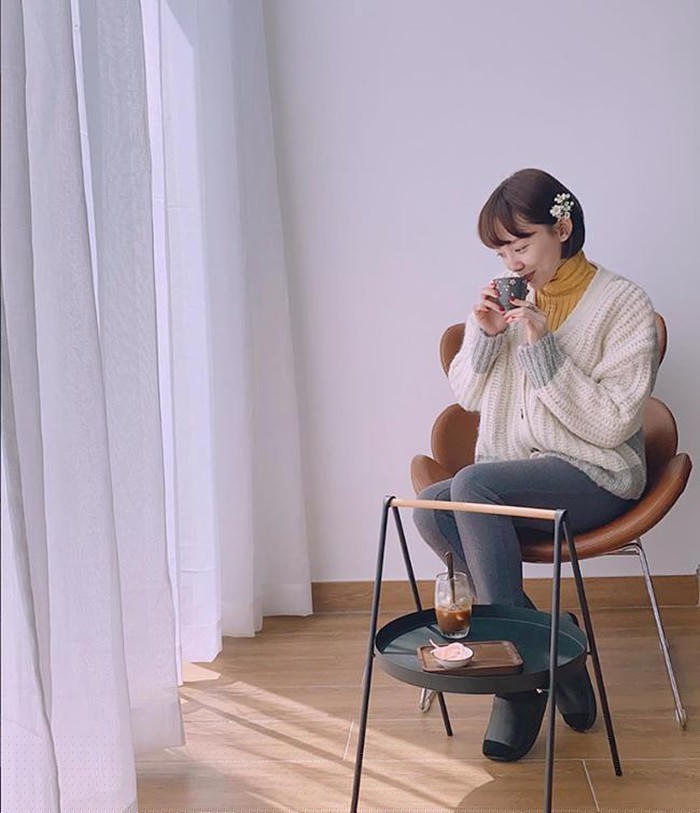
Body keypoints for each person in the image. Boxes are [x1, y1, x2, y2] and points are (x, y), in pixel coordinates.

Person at [413, 168, 659, 762]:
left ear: (562, 228)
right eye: (501, 252)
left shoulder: (624, 304)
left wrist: (542, 346)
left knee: (474, 485)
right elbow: (468, 395)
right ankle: (558, 648)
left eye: (521, 245)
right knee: (434, 511)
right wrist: (485, 335)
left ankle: (516, 686)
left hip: (596, 472)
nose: (512, 262)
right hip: (515, 474)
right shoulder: (510, 300)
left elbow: (613, 423)